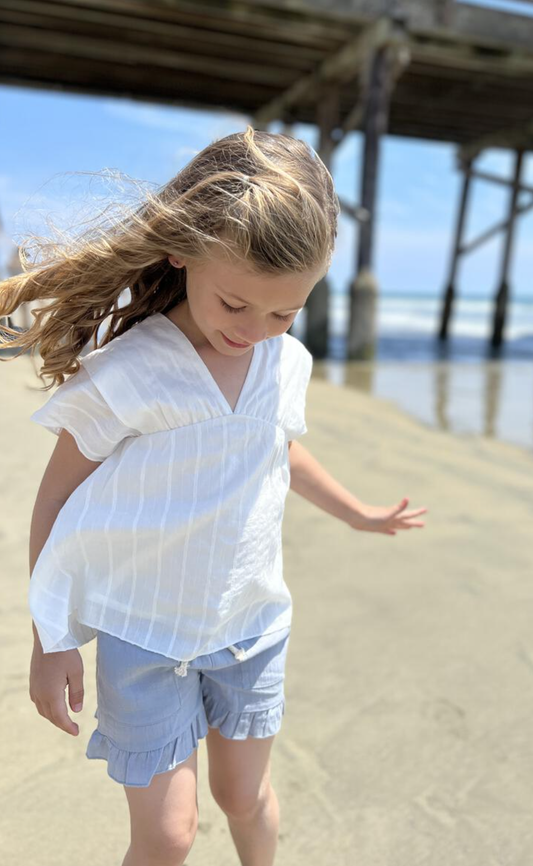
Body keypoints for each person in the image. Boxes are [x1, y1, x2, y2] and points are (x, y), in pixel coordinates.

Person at [0, 126, 427, 866]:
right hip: (144, 634)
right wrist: (52, 638)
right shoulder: (131, 373)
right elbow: (54, 500)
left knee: (244, 798)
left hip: (251, 627)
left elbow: (276, 447)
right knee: (166, 837)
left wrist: (357, 511)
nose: (255, 331)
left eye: (284, 312)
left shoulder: (282, 361)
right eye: (236, 304)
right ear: (182, 250)